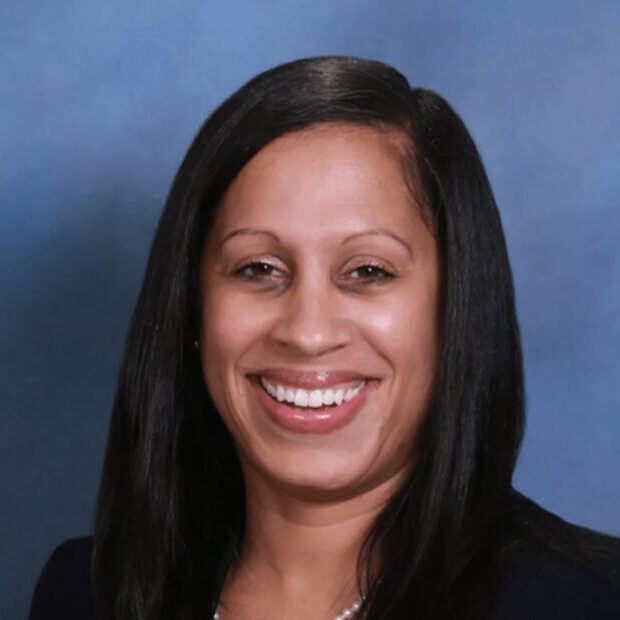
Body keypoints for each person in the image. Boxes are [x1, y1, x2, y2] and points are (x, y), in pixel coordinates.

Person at [29, 56, 620, 620]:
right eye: (258, 268)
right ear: (192, 311)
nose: (307, 333)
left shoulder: (587, 602)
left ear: (457, 308)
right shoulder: (85, 593)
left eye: (368, 272)